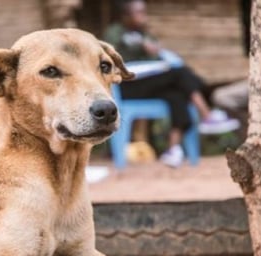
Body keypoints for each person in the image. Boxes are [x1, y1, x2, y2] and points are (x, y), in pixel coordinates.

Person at [103, 0, 240, 167]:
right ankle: (207, 115)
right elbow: (111, 56)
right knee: (179, 73)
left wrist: (155, 52)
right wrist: (141, 45)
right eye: (138, 12)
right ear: (126, 16)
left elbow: (157, 58)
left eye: (144, 12)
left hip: (151, 84)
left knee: (177, 94)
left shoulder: (147, 34)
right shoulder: (115, 32)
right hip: (128, 87)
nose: (143, 16)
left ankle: (173, 149)